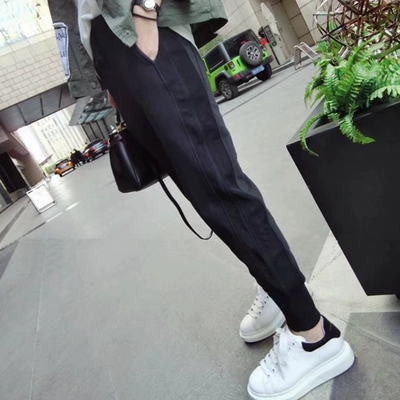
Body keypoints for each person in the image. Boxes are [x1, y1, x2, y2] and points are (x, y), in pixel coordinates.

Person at [50, 1, 355, 399]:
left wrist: (145, 11)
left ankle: (314, 335)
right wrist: (105, 69)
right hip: (115, 45)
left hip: (139, 25)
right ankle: (275, 288)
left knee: (218, 185)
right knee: (205, 192)